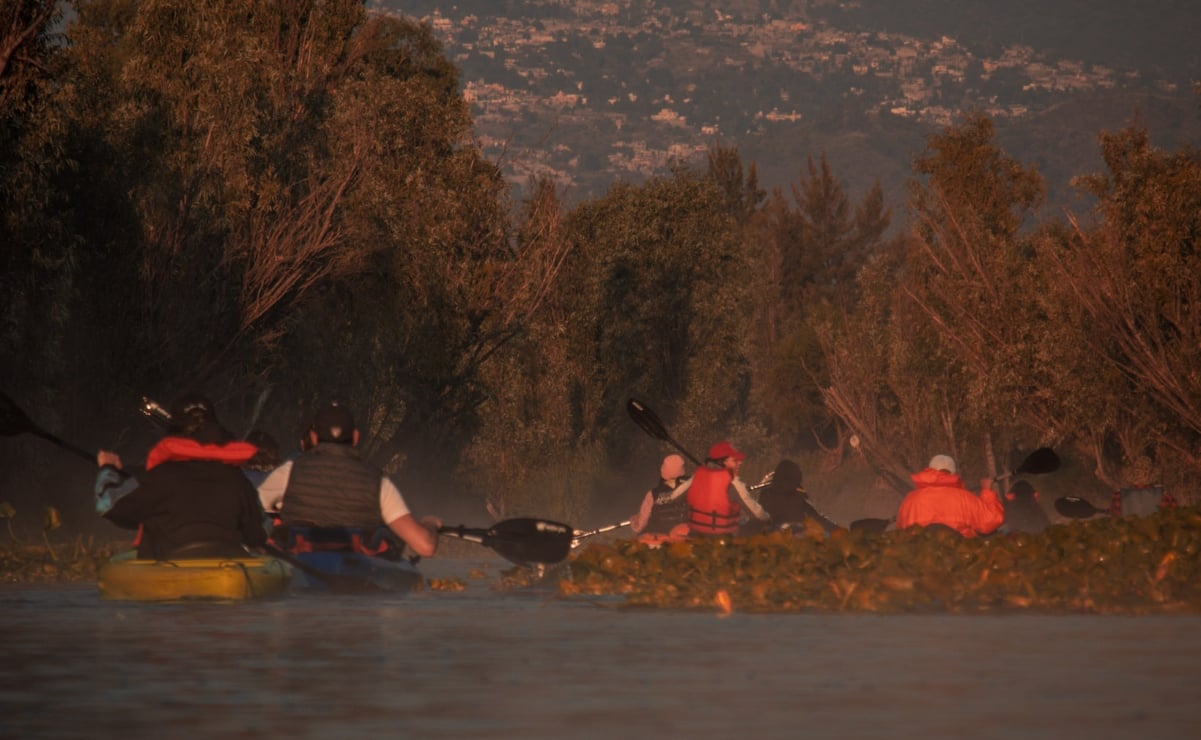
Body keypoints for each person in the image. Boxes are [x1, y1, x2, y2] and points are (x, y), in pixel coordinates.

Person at [93, 393, 269, 560]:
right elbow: (257, 533)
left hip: (168, 569)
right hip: (227, 568)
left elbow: (108, 506)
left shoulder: (159, 477)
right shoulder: (236, 479)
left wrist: (108, 469)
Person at [256, 400, 440, 558]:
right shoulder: (378, 480)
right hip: (357, 570)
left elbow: (248, 509)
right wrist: (430, 525)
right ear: (355, 437)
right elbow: (425, 547)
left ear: (313, 437)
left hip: (300, 565)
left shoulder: (290, 471)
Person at [659, 440, 770, 537]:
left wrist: (660, 498)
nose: (739, 463)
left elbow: (672, 497)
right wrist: (769, 518)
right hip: (725, 536)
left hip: (697, 533)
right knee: (759, 525)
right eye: (735, 460)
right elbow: (757, 514)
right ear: (723, 461)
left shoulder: (696, 477)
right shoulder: (734, 482)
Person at [896, 454, 1003, 538]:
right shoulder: (964, 498)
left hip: (919, 556)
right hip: (959, 556)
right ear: (952, 473)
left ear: (930, 470)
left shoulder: (910, 499)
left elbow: (902, 530)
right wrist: (987, 490)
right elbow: (991, 521)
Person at [754, 459, 839, 534]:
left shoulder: (766, 493)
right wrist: (837, 530)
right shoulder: (798, 495)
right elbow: (816, 517)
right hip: (794, 538)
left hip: (771, 537)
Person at [629, 454, 690, 537]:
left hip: (660, 536)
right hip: (684, 535)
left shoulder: (653, 494)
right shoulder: (692, 489)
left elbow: (640, 525)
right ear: (682, 471)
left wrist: (634, 521)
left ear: (663, 471)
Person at [1107, 455, 1177, 517]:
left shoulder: (1119, 496)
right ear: (1152, 476)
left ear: (1133, 474)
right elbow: (1175, 518)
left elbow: (1114, 519)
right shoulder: (1165, 496)